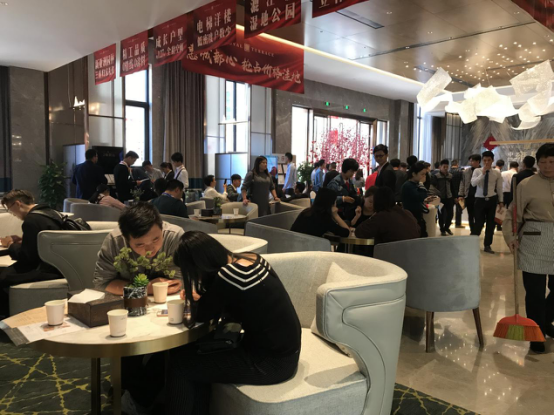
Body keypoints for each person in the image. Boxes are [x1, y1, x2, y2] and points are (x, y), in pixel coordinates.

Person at [135, 232, 300, 414]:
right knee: (188, 353)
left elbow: (201, 315)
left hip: (271, 363)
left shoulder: (230, 275)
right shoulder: (250, 258)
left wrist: (191, 299)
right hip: (283, 350)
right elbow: (230, 301)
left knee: (181, 365)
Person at [503, 144, 554, 354]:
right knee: (534, 292)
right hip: (534, 240)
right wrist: (511, 236)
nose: (547, 166)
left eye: (551, 162)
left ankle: (545, 320)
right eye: (543, 162)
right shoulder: (526, 185)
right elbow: (513, 213)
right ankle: (536, 333)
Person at [93, 202, 183, 295]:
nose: (150, 250)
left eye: (156, 239)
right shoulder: (115, 241)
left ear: (161, 228)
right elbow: (102, 284)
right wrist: (145, 290)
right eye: (140, 245)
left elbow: (179, 282)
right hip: (129, 301)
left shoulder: (174, 237)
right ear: (126, 239)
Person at [0, 190, 63, 316]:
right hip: (61, 266)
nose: (13, 214)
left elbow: (27, 258)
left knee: (3, 276)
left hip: (46, 270)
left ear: (18, 204)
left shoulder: (31, 220)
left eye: (10, 209)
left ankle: (8, 317)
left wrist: (11, 245)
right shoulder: (51, 213)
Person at [356, 187, 420, 246]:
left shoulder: (382, 216)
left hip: (391, 253)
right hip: (414, 252)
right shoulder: (407, 213)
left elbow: (359, 232)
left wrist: (373, 216)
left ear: (377, 201)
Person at [471, 151, 505, 254]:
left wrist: (501, 201)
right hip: (479, 199)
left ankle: (487, 245)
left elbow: (499, 188)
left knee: (491, 224)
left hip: (492, 199)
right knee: (478, 223)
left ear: (492, 160)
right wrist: (483, 173)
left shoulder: (496, 172)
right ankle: (472, 243)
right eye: (484, 160)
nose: (486, 162)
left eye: (489, 160)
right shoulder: (477, 170)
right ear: (482, 160)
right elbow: (473, 183)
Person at [401, 162, 431, 238]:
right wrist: (421, 184)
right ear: (414, 174)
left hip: (416, 216)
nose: (424, 177)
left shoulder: (414, 184)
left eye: (425, 174)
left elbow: (421, 197)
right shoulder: (408, 185)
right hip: (411, 217)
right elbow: (420, 197)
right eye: (422, 174)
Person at [458, 154, 482, 234]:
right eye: (470, 161)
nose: (471, 163)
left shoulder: (482, 171)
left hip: (479, 197)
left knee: (478, 215)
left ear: (478, 161)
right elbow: (462, 183)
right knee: (470, 215)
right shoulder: (466, 171)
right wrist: (461, 194)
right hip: (469, 196)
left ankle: (477, 231)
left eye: (472, 161)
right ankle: (472, 231)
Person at [431, 159, 455, 236]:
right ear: (440, 167)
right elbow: (433, 187)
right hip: (440, 198)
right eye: (444, 167)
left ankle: (447, 227)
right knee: (440, 214)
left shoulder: (450, 176)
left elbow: (453, 187)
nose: (445, 168)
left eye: (447, 167)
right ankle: (442, 229)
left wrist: (455, 197)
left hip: (449, 197)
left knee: (450, 214)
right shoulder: (436, 176)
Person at [450, 160, 464, 228]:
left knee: (449, 209)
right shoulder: (460, 172)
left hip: (450, 192)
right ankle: (458, 223)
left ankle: (448, 222)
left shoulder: (448, 172)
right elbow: (462, 182)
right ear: (457, 164)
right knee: (459, 209)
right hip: (459, 193)